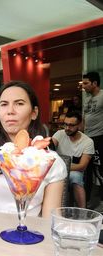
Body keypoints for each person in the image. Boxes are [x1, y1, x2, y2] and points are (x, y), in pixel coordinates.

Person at [0, 81, 67, 218]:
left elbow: (50, 219)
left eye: (19, 103)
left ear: (34, 113)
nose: (10, 111)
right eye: (4, 104)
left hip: (27, 235)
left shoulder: (51, 161)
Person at [52, 111, 94, 208]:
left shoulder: (87, 142)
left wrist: (62, 167)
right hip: (56, 169)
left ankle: (82, 212)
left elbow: (82, 166)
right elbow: (50, 146)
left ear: (79, 125)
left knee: (76, 177)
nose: (67, 128)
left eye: (71, 125)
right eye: (65, 124)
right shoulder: (59, 134)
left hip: (73, 170)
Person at [82, 71, 103, 209]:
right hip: (87, 139)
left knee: (99, 171)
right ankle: (89, 201)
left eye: (86, 83)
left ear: (95, 83)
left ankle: (100, 202)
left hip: (99, 138)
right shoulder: (87, 99)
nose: (83, 86)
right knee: (87, 171)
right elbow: (84, 119)